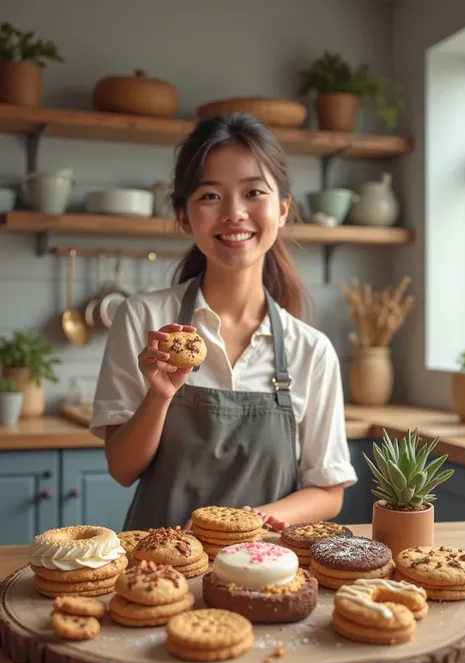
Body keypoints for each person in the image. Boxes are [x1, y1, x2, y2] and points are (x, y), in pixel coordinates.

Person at [90, 112, 357, 532]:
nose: (234, 213)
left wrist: (247, 523)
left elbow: (329, 490)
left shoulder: (311, 350)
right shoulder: (144, 320)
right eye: (210, 196)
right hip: (158, 569)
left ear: (283, 208)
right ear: (183, 215)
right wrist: (159, 396)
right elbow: (122, 469)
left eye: (254, 192)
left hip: (265, 567)